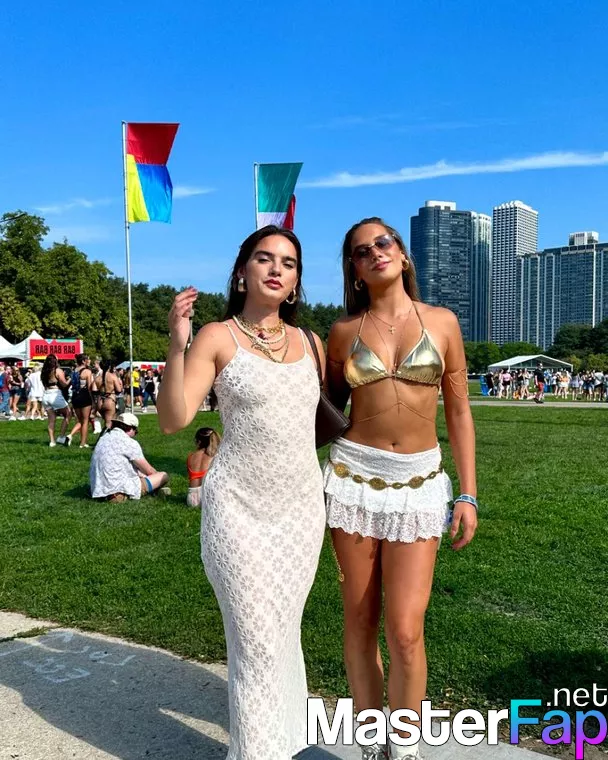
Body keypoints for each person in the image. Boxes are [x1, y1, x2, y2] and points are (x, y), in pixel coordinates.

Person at [157, 225, 326, 759]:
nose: (277, 269)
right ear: (241, 273)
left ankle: (285, 742)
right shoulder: (217, 336)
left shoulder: (312, 344)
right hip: (237, 510)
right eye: (264, 258)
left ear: (296, 282)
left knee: (282, 634)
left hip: (301, 510)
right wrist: (177, 344)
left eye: (289, 263)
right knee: (255, 639)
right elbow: (173, 419)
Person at [324, 217, 478, 760]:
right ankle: (372, 744)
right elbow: (325, 412)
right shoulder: (343, 332)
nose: (375, 253)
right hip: (353, 481)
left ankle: (406, 745)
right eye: (361, 251)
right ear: (355, 270)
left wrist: (467, 493)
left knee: (406, 630)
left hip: (419, 484)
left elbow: (459, 411)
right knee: (360, 621)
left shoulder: (443, 323)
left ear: (403, 254)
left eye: (383, 242)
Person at [89, 412, 170, 502]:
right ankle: (155, 489)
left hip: (97, 490)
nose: (135, 434)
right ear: (130, 428)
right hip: (116, 493)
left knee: (140, 473)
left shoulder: (103, 438)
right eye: (136, 431)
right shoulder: (129, 442)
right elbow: (149, 471)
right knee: (163, 476)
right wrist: (157, 478)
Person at [186, 426, 221, 507]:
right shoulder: (215, 456)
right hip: (208, 497)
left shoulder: (191, 457)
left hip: (192, 499)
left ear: (199, 442)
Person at [65, 353, 95, 447]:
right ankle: (83, 443)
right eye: (87, 359)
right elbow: (89, 387)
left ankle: (80, 440)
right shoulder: (87, 372)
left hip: (75, 397)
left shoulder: (74, 371)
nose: (89, 361)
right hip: (84, 395)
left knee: (80, 420)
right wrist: (93, 400)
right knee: (85, 421)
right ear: (83, 361)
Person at [40, 355, 70, 446]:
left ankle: (52, 441)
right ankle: (61, 437)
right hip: (55, 394)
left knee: (51, 419)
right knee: (68, 414)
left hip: (46, 396)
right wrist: (70, 379)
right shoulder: (57, 370)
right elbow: (64, 384)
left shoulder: (44, 372)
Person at [97, 359, 123, 428]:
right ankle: (106, 434)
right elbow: (119, 390)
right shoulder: (112, 376)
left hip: (100, 401)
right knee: (109, 423)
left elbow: (93, 389)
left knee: (106, 422)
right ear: (109, 366)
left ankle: (105, 433)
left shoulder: (98, 377)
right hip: (109, 400)